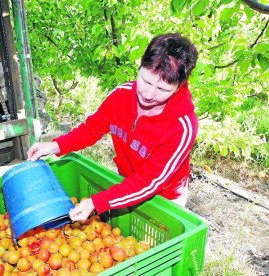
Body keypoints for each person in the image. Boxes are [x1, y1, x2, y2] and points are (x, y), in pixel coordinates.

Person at [27, 33, 199, 221]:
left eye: (162, 90)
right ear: (140, 67)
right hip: (125, 184)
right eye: (146, 81)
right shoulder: (121, 97)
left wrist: (97, 202)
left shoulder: (182, 127)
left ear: (179, 86)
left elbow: (149, 182)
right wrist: (55, 146)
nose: (149, 94)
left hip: (165, 198)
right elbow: (91, 129)